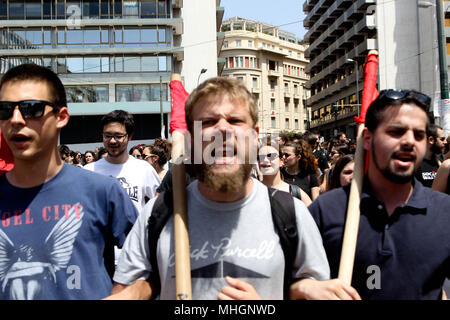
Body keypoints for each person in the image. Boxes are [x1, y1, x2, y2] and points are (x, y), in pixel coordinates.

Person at [106, 77, 330, 300]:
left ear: (254, 138)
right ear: (190, 141)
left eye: (234, 120)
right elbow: (124, 291)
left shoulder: (292, 214)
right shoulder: (158, 214)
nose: (222, 129)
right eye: (207, 122)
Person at [0, 63, 137, 299]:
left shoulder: (102, 191)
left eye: (31, 109)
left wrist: (129, 294)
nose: (16, 120)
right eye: (4, 110)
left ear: (61, 117)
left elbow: (155, 262)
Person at [308, 89, 450, 299]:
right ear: (367, 138)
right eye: (396, 131)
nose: (410, 141)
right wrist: (301, 288)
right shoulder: (326, 210)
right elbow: (284, 281)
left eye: (419, 135)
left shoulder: (445, 211)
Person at [84, 110, 160, 213]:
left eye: (118, 136)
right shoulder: (89, 171)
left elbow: (159, 206)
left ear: (129, 136)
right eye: (107, 136)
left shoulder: (144, 169)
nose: (112, 141)